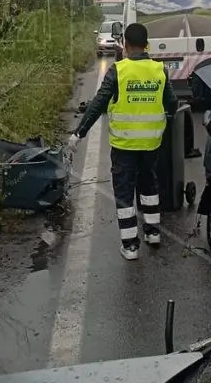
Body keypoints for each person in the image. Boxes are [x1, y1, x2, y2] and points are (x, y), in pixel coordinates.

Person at [70, 22, 177, 261]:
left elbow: (98, 104)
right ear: (146, 44)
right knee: (150, 186)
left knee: (124, 193)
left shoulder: (118, 71)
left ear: (125, 45)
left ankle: (130, 246)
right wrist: (164, 121)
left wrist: (79, 133)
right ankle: (152, 232)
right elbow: (172, 103)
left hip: (124, 146)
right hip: (151, 144)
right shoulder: (160, 70)